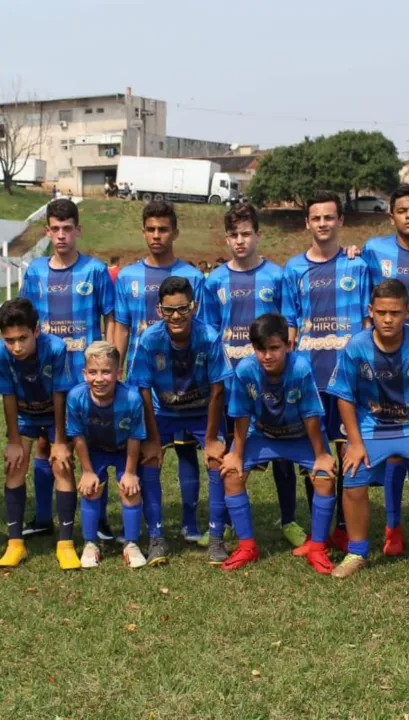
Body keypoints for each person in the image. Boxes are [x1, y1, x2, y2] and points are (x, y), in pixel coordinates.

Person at [326, 279, 409, 578]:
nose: (388, 319)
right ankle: (357, 553)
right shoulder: (356, 346)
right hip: (372, 428)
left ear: (407, 312)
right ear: (370, 311)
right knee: (353, 477)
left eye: (395, 312)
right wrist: (354, 443)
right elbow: (344, 395)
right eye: (381, 312)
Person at [201, 202, 304, 550]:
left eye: (246, 234)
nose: (240, 241)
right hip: (231, 380)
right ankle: (225, 521)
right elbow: (211, 331)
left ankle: (289, 519)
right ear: (226, 238)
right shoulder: (214, 280)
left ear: (258, 235)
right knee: (230, 448)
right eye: (234, 235)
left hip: (271, 378)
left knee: (283, 449)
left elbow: (289, 325)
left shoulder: (276, 276)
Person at [18, 200, 115, 541]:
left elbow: (111, 318)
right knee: (46, 445)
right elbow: (24, 322)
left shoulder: (95, 270)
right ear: (47, 231)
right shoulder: (35, 273)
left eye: (67, 228)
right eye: (55, 229)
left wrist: (112, 365)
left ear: (78, 229)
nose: (61, 235)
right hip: (46, 379)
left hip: (88, 378)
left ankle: (98, 520)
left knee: (93, 447)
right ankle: (45, 517)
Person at [112, 200, 208, 545]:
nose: (156, 235)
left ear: (175, 232)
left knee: (185, 450)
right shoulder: (127, 276)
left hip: (183, 381)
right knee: (141, 450)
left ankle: (189, 523)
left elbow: (203, 328)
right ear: (143, 231)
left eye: (163, 229)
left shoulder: (194, 277)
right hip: (141, 382)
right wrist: (117, 370)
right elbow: (121, 327)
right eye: (151, 229)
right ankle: (142, 523)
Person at [282, 189, 371, 553]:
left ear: (340, 222)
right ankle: (321, 526)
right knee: (314, 453)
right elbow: (290, 326)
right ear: (307, 223)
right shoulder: (293, 268)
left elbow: (368, 323)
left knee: (348, 449)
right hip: (310, 379)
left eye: (329, 217)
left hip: (348, 380)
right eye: (316, 218)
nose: (323, 224)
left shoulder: (358, 265)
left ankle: (345, 527)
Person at [126, 276, 233, 566]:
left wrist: (211, 439)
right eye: (169, 310)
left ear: (193, 307)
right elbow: (143, 390)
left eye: (183, 309)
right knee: (148, 460)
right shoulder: (149, 339)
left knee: (217, 460)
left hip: (202, 411)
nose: (176, 316)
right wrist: (152, 438)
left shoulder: (208, 337)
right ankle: (157, 537)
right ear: (159, 310)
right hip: (164, 411)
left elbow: (218, 389)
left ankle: (216, 538)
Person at [221, 314, 337, 573]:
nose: (267, 356)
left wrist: (320, 455)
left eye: (274, 348)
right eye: (261, 349)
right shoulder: (245, 370)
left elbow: (311, 415)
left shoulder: (300, 368)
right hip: (263, 434)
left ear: (288, 346)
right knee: (231, 474)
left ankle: (318, 547)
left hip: (300, 436)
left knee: (324, 477)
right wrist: (236, 454)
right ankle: (247, 546)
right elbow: (241, 414)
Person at [0, 298, 74, 569]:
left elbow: (61, 394)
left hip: (54, 412)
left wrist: (59, 441)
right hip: (24, 414)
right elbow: (8, 395)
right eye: (9, 339)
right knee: (14, 465)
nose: (16, 346)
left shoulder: (56, 348)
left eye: (22, 338)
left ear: (36, 331)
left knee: (62, 465)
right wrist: (14, 441)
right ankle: (15, 544)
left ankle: (66, 544)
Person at [67, 342, 149, 569]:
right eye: (93, 372)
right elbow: (77, 435)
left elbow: (135, 437)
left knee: (129, 489)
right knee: (91, 488)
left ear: (118, 373)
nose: (99, 378)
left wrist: (131, 472)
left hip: (124, 450)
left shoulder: (131, 398)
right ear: (85, 374)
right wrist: (87, 471)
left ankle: (131, 544)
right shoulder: (76, 397)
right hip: (95, 450)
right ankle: (90, 544)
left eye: (106, 372)